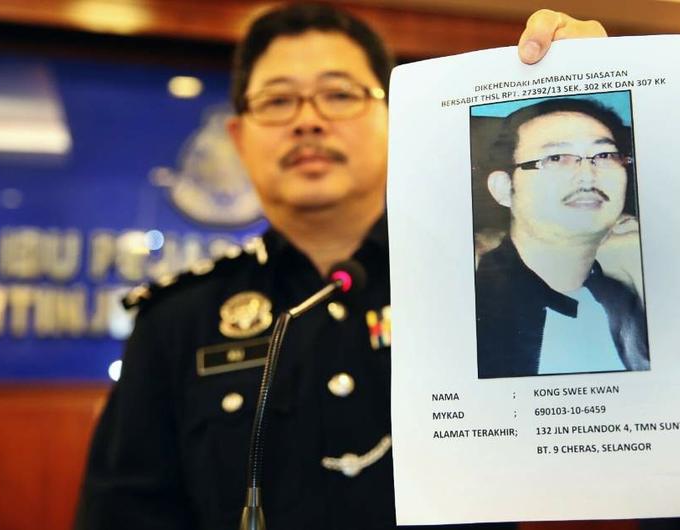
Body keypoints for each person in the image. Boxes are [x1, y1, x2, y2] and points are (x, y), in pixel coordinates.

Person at [74, 4, 609, 529]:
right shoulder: (176, 322)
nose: (308, 120)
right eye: (278, 100)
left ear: (394, 118)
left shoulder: (479, 283)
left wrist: (597, 79)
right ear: (239, 138)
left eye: (338, 94)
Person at [475, 98, 650, 379]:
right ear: (504, 188)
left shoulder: (627, 299)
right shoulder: (472, 310)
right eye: (556, 159)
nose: (587, 177)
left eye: (604, 156)